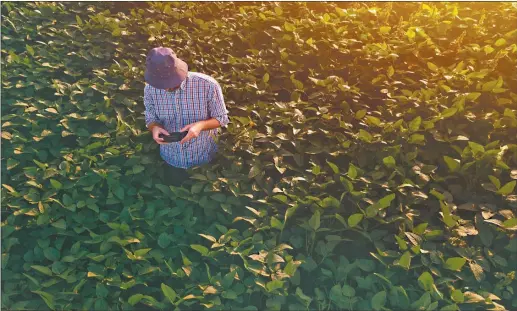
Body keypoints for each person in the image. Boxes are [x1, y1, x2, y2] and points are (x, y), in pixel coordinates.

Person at [143, 47, 229, 186]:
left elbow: (222, 118)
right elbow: (150, 118)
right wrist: (154, 128)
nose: (166, 88)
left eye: (170, 82)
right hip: (171, 158)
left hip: (204, 158)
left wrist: (200, 126)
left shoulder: (207, 85)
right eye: (161, 84)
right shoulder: (149, 89)